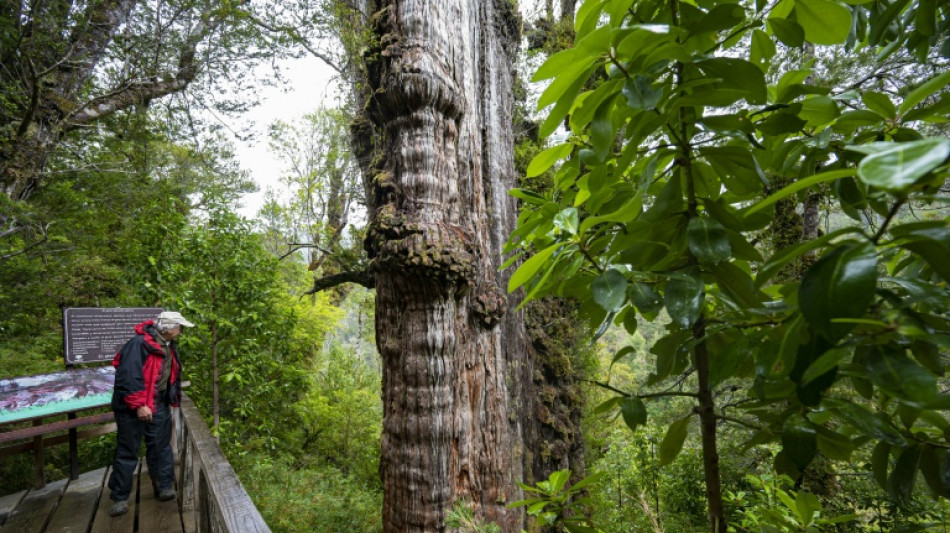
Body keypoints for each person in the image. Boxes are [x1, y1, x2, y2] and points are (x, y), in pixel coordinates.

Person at [107, 311, 193, 517]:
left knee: (160, 446)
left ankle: (164, 486)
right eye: (179, 327)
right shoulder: (139, 344)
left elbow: (169, 374)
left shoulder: (168, 345)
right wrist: (138, 405)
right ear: (169, 328)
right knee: (128, 451)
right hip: (133, 406)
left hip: (159, 402)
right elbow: (128, 376)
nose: (181, 331)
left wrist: (172, 397)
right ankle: (119, 498)